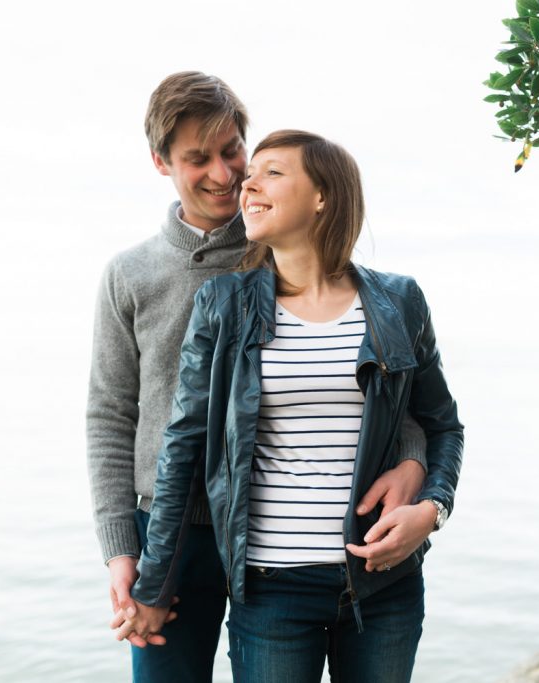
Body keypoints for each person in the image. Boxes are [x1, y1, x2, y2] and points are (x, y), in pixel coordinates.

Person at [87, 74, 429, 683]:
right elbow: (111, 415)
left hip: (274, 525)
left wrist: (413, 465)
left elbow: (373, 389)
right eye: (198, 159)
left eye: (231, 151)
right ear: (160, 162)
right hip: (174, 530)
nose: (224, 175)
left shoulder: (285, 243)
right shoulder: (132, 274)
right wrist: (123, 550)